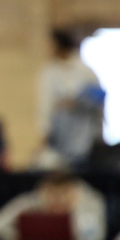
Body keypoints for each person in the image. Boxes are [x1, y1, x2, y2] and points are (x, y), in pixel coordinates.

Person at [36, 29, 104, 170]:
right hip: (60, 135)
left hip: (85, 136)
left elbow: (99, 98)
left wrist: (78, 102)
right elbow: (45, 107)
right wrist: (44, 134)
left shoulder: (85, 71)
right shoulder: (49, 73)